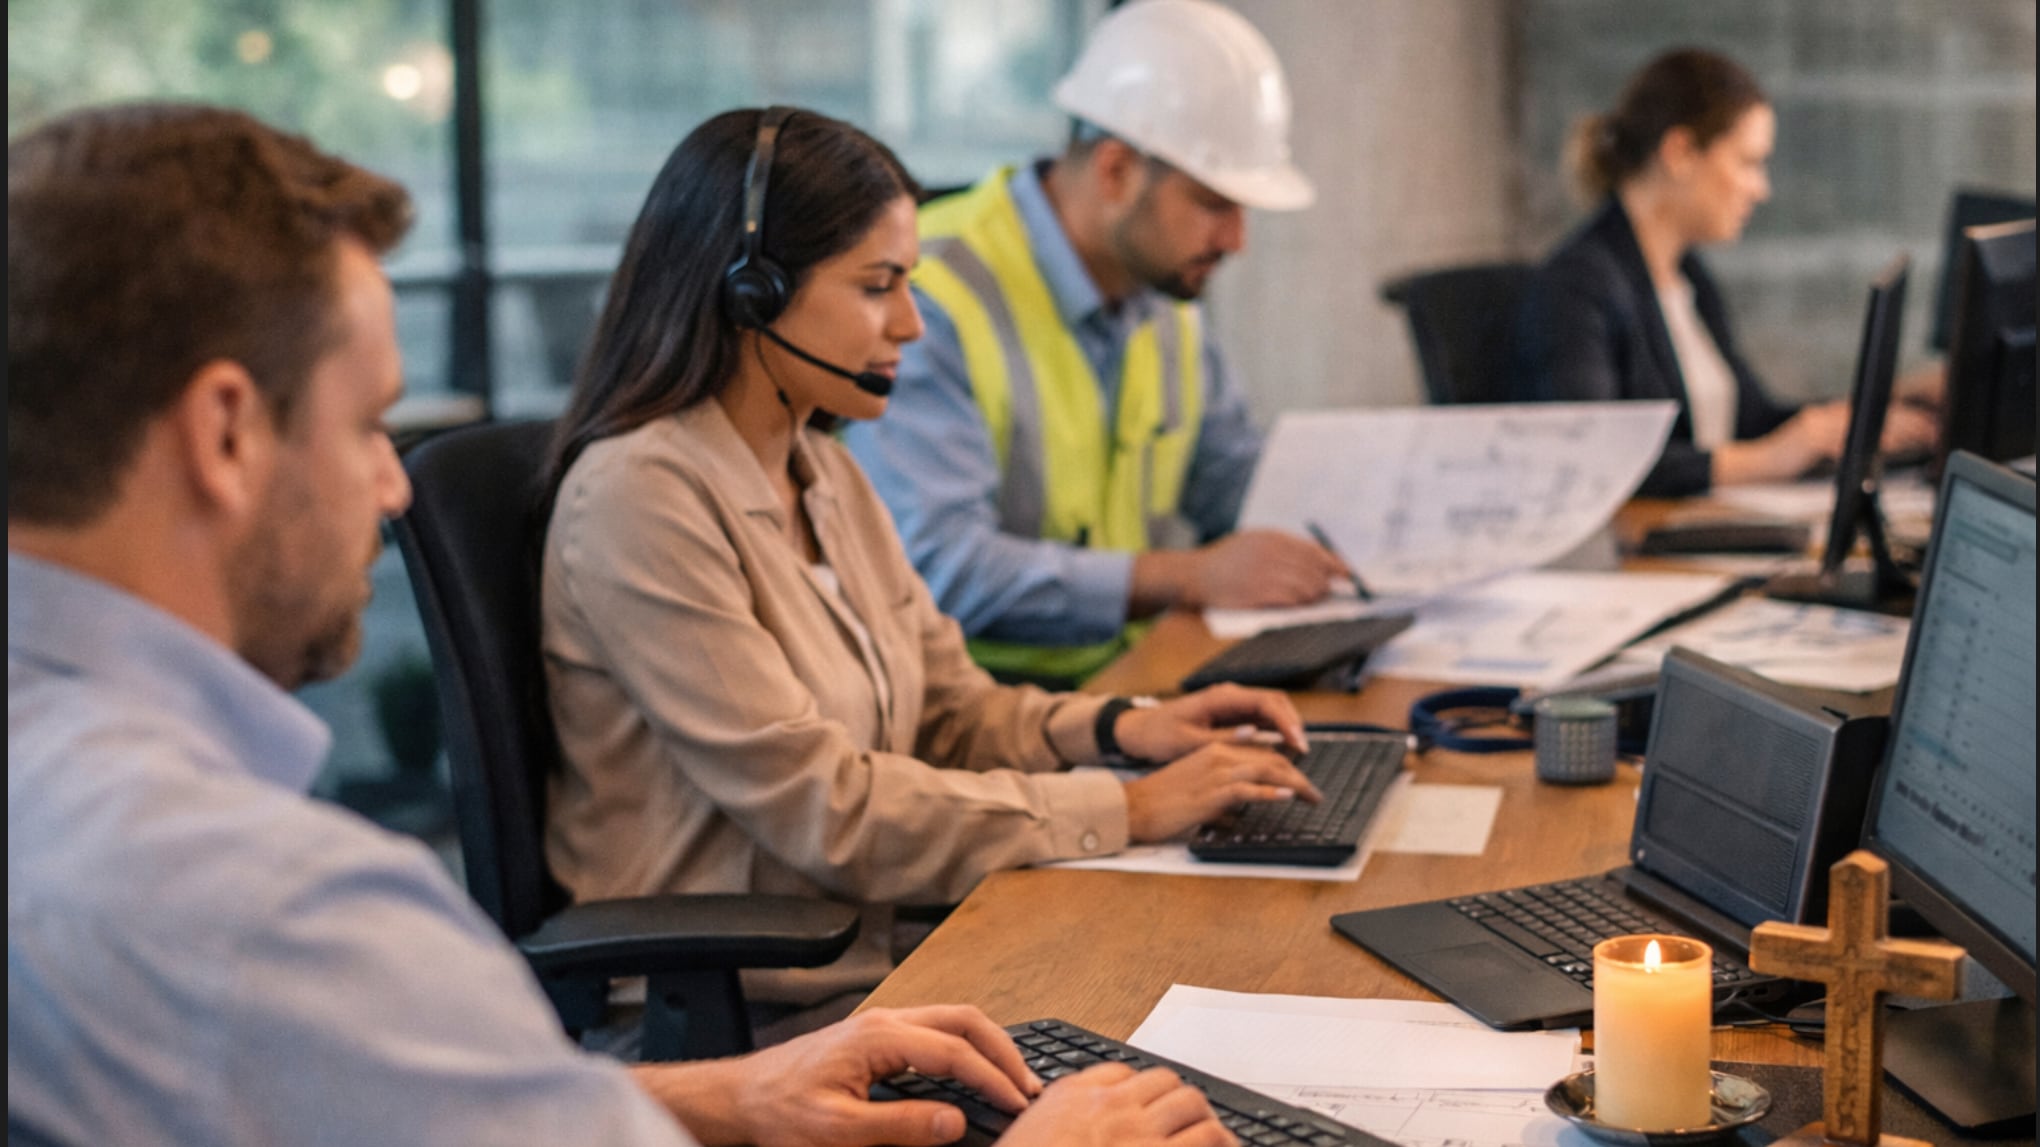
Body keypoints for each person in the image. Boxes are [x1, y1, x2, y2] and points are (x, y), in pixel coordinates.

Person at [6, 103, 1236, 1147]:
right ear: (225, 435)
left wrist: (729, 1098)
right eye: (369, 423)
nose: (394, 487)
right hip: (787, 971)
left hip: (815, 1012)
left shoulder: (77, 811)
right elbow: (821, 802)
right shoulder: (274, 910)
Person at [541, 105, 1322, 1019]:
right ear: (751, 291)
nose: (911, 325)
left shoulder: (823, 469)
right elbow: (825, 807)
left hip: (876, 961)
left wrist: (1125, 726)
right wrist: (1131, 808)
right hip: (749, 1019)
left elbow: (950, 710)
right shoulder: (644, 497)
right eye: (878, 287)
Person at [839, 0, 1346, 685]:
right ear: (1115, 173)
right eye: (1213, 203)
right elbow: (940, 568)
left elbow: (1234, 480)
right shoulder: (932, 296)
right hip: (971, 712)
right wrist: (1187, 576)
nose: (1235, 241)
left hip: (1125, 682)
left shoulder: (1164, 295)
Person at [1508, 48, 1937, 497]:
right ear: (1680, 153)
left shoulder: (1687, 273)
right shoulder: (1578, 286)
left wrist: (1890, 399)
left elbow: (1750, 420)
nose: (1761, 188)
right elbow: (1594, 461)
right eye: (1748, 162)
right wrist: (1771, 459)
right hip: (1637, 551)